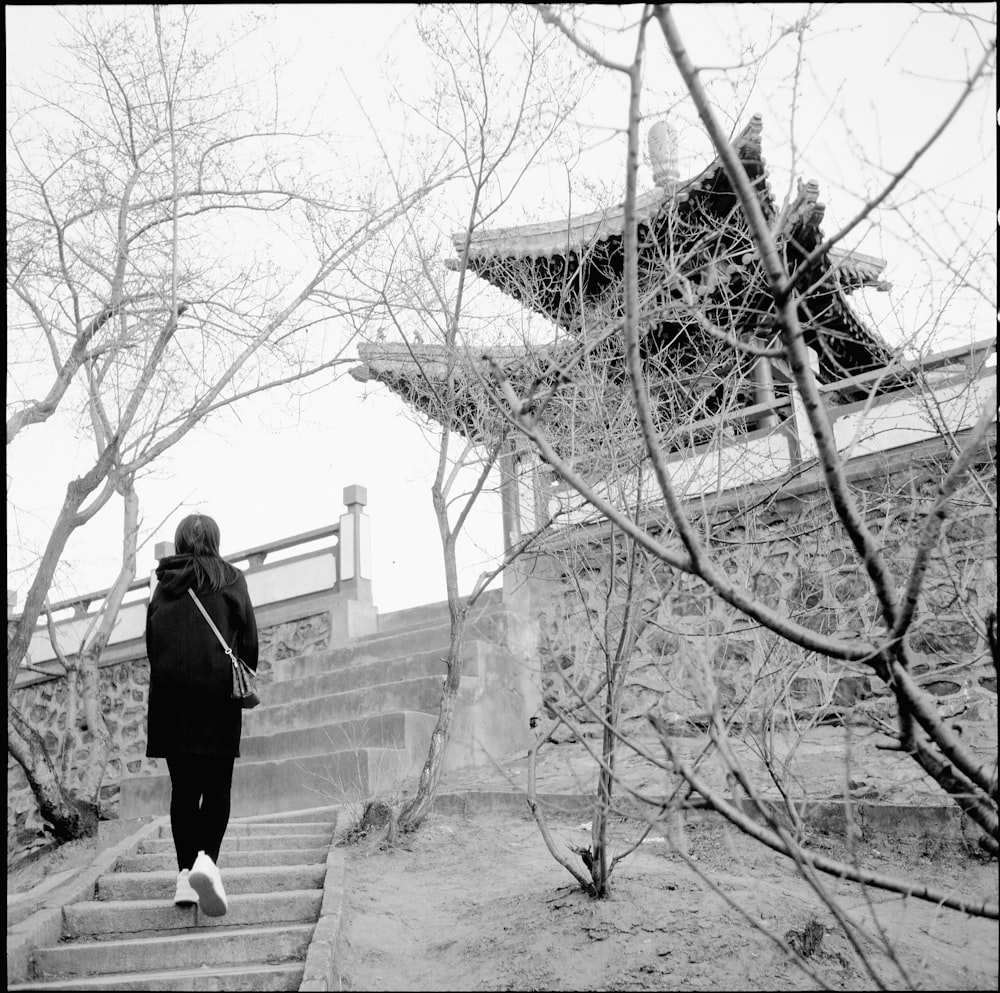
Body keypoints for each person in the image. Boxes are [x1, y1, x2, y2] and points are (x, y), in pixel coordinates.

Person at [145, 513, 259, 916]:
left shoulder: (162, 587)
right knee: (217, 787)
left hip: (171, 700)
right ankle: (207, 862)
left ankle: (184, 875)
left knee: (183, 790)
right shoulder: (231, 578)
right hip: (216, 696)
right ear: (215, 539)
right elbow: (249, 644)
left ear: (178, 542)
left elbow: (151, 645)